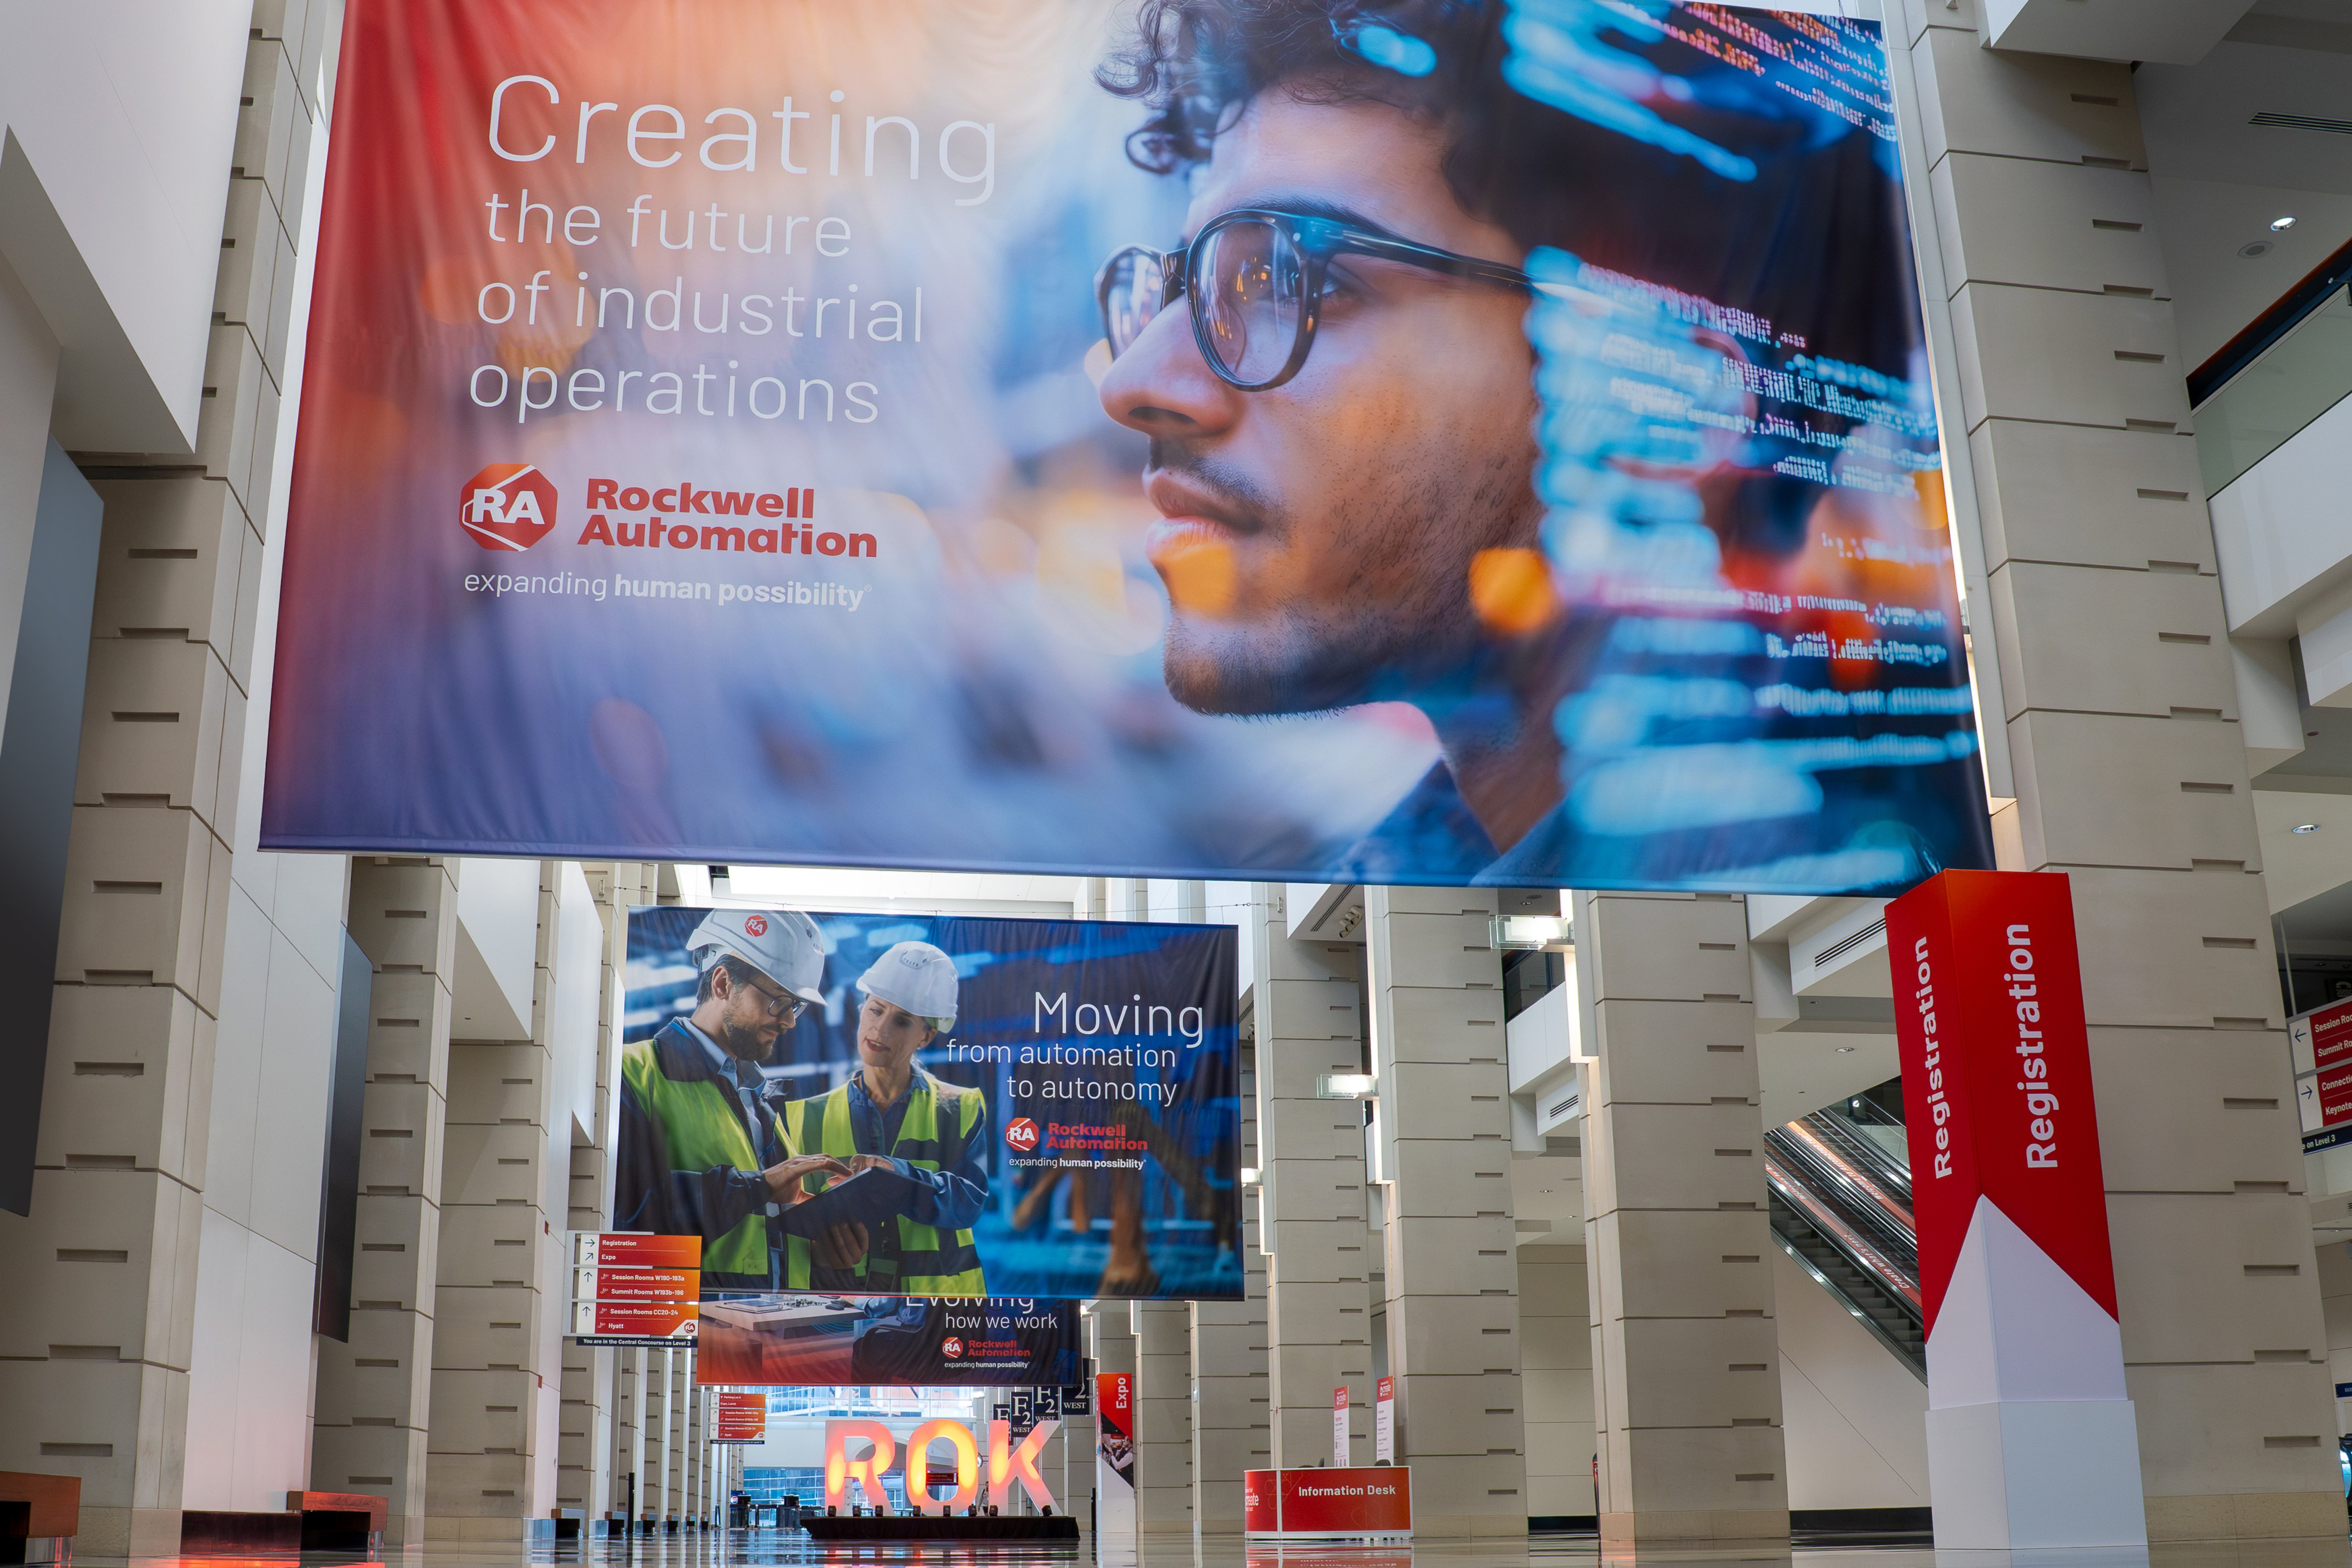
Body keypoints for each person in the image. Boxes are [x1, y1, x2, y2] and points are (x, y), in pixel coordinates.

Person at [1091, 0, 1983, 889]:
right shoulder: (1429, 900)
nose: (1132, 382)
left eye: (1279, 275)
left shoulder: (1869, 913)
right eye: (1178, 286)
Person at [614, 910, 861, 1289]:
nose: (790, 1021)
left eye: (795, 1005)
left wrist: (826, 1254)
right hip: (691, 1337)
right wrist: (757, 1187)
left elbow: (762, 1246)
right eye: (779, 1001)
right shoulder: (633, 1073)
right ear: (723, 983)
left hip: (772, 1337)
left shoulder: (761, 1106)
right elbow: (623, 1221)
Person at [775, 941, 991, 1293]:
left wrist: (898, 1177)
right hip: (843, 1311)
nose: (881, 1029)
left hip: (942, 1310)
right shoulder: (804, 1116)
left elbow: (968, 1203)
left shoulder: (961, 1106)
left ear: (926, 1035)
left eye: (902, 1021)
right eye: (876, 1010)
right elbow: (792, 1221)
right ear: (862, 1009)